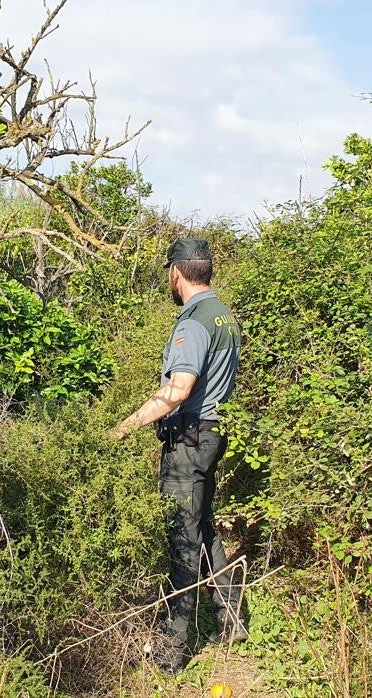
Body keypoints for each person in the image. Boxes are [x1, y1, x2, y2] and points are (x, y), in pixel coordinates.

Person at [110, 237, 247, 674]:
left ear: (175, 271)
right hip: (212, 436)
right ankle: (232, 617)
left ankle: (174, 649)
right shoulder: (224, 315)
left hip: (188, 442)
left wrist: (124, 426)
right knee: (201, 524)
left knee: (182, 539)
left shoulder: (194, 322)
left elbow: (178, 390)